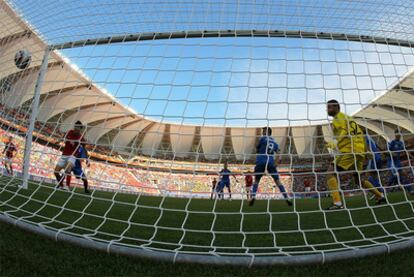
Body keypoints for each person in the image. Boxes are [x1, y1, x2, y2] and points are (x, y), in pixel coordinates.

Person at [325, 100, 386, 210]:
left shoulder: (338, 118)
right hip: (359, 152)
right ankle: (380, 196)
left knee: (330, 172)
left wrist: (335, 143)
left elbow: (344, 131)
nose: (327, 109)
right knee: (358, 179)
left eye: (329, 107)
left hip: (350, 151)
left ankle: (337, 202)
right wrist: (366, 151)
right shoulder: (349, 118)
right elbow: (361, 134)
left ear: (336, 107)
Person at [249, 127, 292, 206]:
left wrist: (258, 149)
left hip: (261, 161)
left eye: (263, 131)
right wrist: (277, 162)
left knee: (257, 180)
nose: (262, 132)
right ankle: (286, 197)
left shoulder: (262, 139)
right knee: (278, 181)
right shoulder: (275, 143)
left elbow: (257, 149)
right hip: (271, 161)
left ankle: (253, 197)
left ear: (267, 132)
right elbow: (279, 152)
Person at [54, 121, 86, 190]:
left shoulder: (81, 137)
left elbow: (84, 146)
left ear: (80, 129)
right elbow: (63, 137)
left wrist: (86, 157)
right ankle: (61, 185)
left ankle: (67, 186)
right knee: (56, 172)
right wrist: (59, 141)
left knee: (67, 169)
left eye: (78, 127)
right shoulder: (69, 132)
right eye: (75, 126)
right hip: (64, 155)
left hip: (73, 156)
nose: (76, 128)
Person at [386, 130, 412, 194]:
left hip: (397, 161)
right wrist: (392, 154)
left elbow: (405, 150)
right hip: (392, 162)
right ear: (395, 134)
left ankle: (409, 190)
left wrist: (411, 156)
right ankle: (384, 191)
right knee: (395, 177)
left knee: (404, 175)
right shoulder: (392, 142)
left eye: (400, 134)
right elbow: (387, 152)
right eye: (397, 134)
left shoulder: (401, 143)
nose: (399, 135)